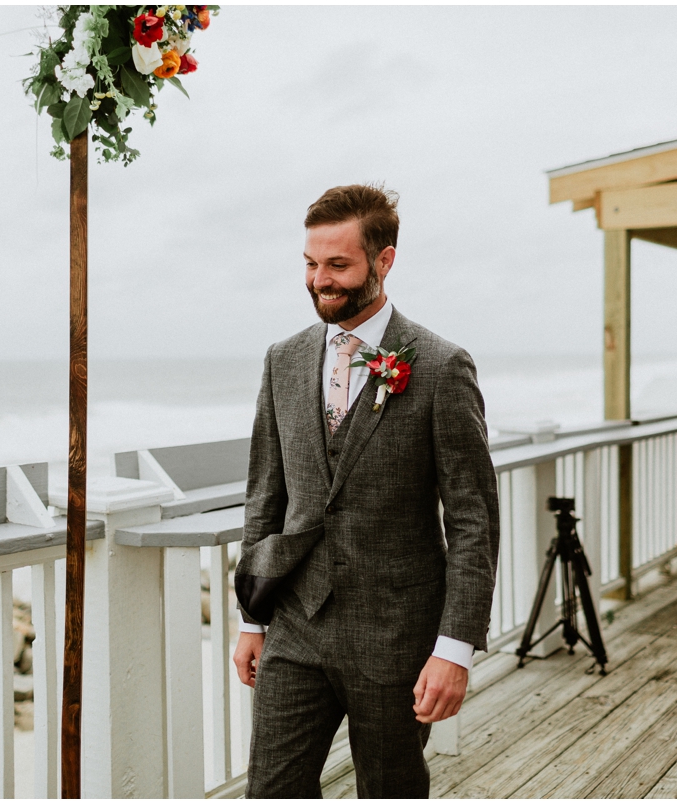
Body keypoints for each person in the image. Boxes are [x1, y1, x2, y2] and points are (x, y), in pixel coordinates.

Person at [232, 184, 500, 797]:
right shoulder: (283, 360)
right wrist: (252, 615)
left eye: (338, 265)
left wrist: (454, 648)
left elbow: (472, 521)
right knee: (270, 790)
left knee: (391, 789)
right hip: (296, 626)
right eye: (310, 263)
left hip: (397, 633)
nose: (319, 280)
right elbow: (265, 497)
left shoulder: (439, 366)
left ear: (384, 261)